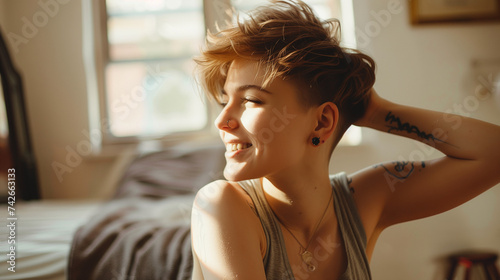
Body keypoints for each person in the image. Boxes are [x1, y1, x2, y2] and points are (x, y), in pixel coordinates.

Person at [190, 1, 500, 279]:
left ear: (323, 121)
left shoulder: (368, 198)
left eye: (251, 101)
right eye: (224, 100)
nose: (223, 120)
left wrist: (377, 111)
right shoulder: (221, 205)